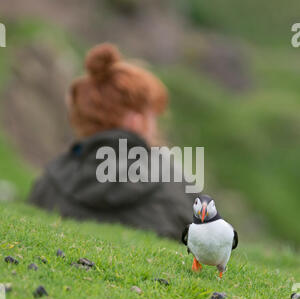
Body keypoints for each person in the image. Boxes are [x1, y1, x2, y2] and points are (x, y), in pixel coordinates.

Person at [29, 43, 195, 239]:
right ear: (135, 120)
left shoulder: (48, 184)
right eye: (153, 116)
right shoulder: (174, 182)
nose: (156, 126)